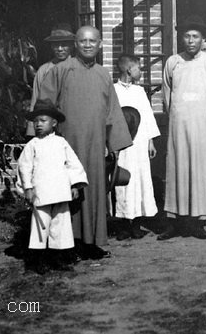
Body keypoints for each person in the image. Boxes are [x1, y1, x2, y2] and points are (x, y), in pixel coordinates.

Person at [38, 25, 132, 260]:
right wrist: (46, 141)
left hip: (96, 146)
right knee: (66, 193)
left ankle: (92, 243)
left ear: (100, 45)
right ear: (75, 45)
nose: (88, 45)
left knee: (94, 192)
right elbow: (44, 108)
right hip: (66, 145)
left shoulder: (103, 74)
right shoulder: (60, 71)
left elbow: (112, 111)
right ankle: (66, 246)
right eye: (82, 41)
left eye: (92, 41)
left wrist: (114, 145)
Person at [160, 16, 206, 240]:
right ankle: (176, 221)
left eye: (195, 37)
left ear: (202, 39)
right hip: (179, 125)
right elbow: (168, 94)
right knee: (177, 169)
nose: (190, 40)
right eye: (187, 36)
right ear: (181, 38)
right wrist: (175, 117)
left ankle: (197, 222)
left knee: (199, 171)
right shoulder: (173, 62)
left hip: (202, 126)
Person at [17, 99, 88, 274]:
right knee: (41, 226)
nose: (38, 124)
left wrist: (75, 185)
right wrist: (28, 188)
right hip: (41, 194)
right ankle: (38, 261)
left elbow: (73, 164)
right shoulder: (32, 145)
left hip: (60, 192)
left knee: (60, 226)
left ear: (54, 123)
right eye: (36, 121)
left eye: (43, 120)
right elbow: (24, 167)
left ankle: (59, 259)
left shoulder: (61, 143)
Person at [113, 54, 160, 240]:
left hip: (139, 142)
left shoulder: (139, 91)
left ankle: (137, 223)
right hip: (121, 143)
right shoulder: (113, 90)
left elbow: (147, 116)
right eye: (138, 68)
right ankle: (123, 224)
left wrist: (150, 140)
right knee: (123, 180)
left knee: (139, 179)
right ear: (129, 70)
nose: (140, 72)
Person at [26, 23, 74, 137]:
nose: (60, 49)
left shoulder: (78, 68)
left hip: (74, 126)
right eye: (56, 45)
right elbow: (36, 101)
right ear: (51, 46)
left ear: (72, 45)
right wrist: (33, 134)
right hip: (51, 130)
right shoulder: (44, 70)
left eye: (64, 44)